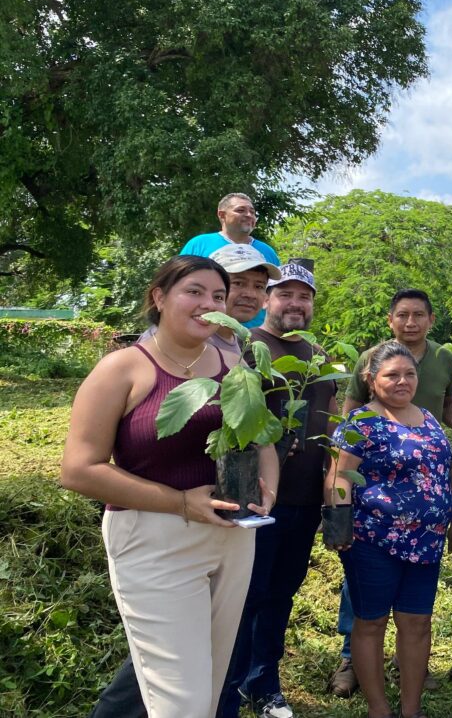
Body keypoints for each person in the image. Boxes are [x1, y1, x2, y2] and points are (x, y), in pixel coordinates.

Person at [61, 256, 278, 718]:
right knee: (182, 703)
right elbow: (79, 469)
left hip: (232, 538)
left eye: (218, 296)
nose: (209, 304)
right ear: (159, 298)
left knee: (213, 680)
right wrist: (181, 502)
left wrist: (267, 489)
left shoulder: (233, 362)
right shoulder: (122, 369)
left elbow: (261, 440)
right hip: (153, 539)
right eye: (194, 292)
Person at [220, 261, 341, 718]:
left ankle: (262, 683)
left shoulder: (319, 354)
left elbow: (330, 421)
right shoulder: (247, 347)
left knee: (281, 594)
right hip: (255, 497)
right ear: (267, 300)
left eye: (304, 296)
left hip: (305, 499)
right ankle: (226, 691)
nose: (295, 303)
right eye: (284, 294)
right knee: (245, 597)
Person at [331, 288, 452, 697]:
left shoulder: (428, 417)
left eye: (408, 375)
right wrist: (338, 525)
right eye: (391, 376)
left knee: (417, 621)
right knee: (369, 621)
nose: (402, 381)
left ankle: (410, 706)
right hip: (373, 538)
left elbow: (445, 469)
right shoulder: (359, 422)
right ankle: (375, 702)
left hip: (426, 541)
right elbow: (339, 475)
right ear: (373, 379)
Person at [181, 193, 281, 328]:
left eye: (252, 212)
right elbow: (180, 285)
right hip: (208, 327)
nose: (249, 215)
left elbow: (276, 295)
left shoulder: (268, 252)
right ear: (221, 215)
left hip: (254, 333)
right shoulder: (199, 244)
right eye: (241, 210)